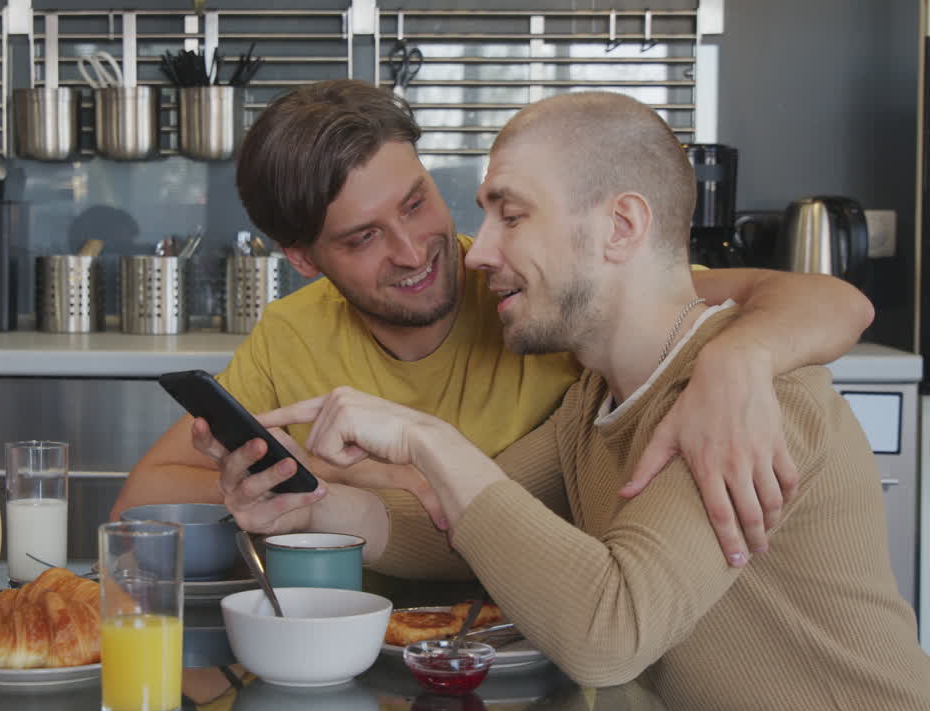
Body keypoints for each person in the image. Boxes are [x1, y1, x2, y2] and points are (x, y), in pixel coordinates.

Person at [198, 92, 930, 711]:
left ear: (621, 228)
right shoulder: (594, 404)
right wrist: (313, 506)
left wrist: (425, 438)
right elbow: (465, 526)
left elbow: (608, 632)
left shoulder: (748, 400)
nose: (474, 253)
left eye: (510, 217)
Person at [113, 79, 874, 569]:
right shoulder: (294, 334)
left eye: (415, 202)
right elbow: (141, 498)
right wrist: (279, 491)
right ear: (305, 259)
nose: (414, 252)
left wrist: (733, 361)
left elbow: (828, 299)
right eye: (362, 237)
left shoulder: (538, 290)